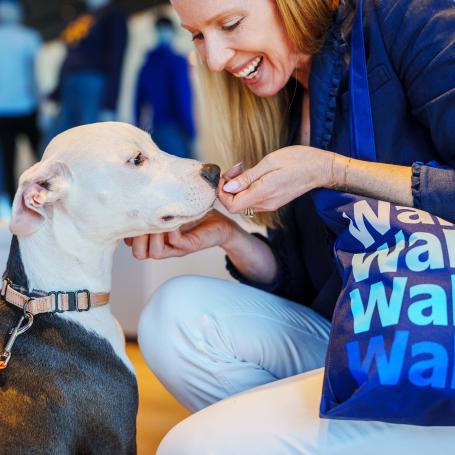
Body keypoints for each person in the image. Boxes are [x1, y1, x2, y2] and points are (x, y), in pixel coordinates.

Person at [128, 0, 455, 452]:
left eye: (230, 23)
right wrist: (231, 237)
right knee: (173, 315)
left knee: (193, 445)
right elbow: (315, 284)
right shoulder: (287, 90)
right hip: (364, 336)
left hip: (435, 356)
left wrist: (335, 171)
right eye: (198, 35)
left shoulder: (407, 17)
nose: (216, 59)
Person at [48, 0, 127, 141]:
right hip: (69, 83)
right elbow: (69, 56)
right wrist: (55, 95)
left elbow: (116, 57)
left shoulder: (113, 13)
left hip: (93, 81)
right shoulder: (83, 18)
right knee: (59, 138)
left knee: (92, 138)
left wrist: (110, 104)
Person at [134, 16, 196, 158]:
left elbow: (138, 103)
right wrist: (191, 130)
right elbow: (183, 97)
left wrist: (138, 133)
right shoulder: (178, 61)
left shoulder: (146, 65)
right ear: (172, 32)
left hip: (154, 132)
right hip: (176, 129)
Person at [0, 0, 42, 203]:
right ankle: (48, 197)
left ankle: (11, 204)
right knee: (43, 156)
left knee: (8, 161)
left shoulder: (30, 37)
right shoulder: (29, 37)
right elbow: (36, 75)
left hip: (10, 109)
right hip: (26, 107)